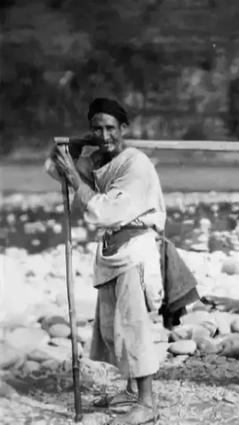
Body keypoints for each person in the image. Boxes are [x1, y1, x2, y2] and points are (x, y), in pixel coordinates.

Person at [46, 98, 165, 424]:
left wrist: (75, 179)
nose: (104, 134)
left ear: (123, 129)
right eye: (97, 128)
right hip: (113, 252)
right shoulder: (99, 158)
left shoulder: (135, 165)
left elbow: (106, 211)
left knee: (134, 326)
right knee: (115, 327)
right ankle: (129, 391)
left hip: (135, 251)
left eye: (110, 128)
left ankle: (148, 403)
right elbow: (56, 169)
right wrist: (76, 147)